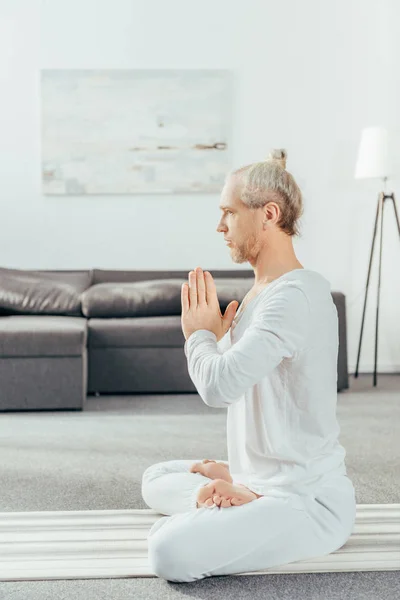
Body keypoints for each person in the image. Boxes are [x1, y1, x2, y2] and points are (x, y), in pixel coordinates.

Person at [141, 149, 356, 582]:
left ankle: (246, 497)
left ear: (268, 214)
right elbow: (244, 380)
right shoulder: (261, 293)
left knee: (167, 552)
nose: (220, 225)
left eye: (228, 212)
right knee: (155, 478)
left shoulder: (295, 297)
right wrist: (219, 340)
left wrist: (199, 335)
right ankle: (241, 487)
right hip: (261, 480)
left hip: (305, 500)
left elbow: (218, 388)